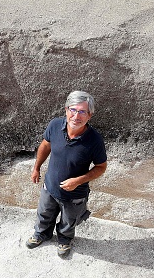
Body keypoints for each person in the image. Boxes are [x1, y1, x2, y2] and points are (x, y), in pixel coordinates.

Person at [26, 90, 107, 257]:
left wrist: (78, 181)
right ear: (66, 109)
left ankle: (64, 240)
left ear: (89, 116)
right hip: (50, 186)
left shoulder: (95, 140)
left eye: (82, 112)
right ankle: (42, 234)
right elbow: (45, 146)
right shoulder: (55, 125)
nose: (76, 116)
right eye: (73, 110)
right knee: (44, 214)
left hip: (75, 194)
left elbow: (101, 167)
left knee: (68, 221)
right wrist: (36, 167)